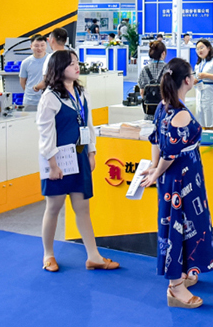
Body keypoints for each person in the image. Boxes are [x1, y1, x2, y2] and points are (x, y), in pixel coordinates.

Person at [35, 50, 119, 273]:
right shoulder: (50, 97)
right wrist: (52, 164)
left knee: (82, 208)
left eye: (76, 62)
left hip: (79, 157)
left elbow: (88, 125)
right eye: (71, 63)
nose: (76, 66)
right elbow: (46, 133)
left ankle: (94, 256)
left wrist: (91, 152)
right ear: (59, 68)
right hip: (58, 159)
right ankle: (48, 255)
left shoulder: (81, 92)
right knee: (53, 207)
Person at [140, 58, 213, 308]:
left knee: (181, 225)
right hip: (181, 179)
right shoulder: (179, 113)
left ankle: (181, 273)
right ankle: (175, 286)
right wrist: (156, 171)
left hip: (179, 178)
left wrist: (155, 167)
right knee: (176, 227)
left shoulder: (164, 106)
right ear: (187, 80)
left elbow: (155, 140)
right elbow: (170, 153)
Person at [192, 39, 213, 129]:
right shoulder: (199, 64)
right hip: (201, 93)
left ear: (208, 48)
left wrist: (206, 75)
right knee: (203, 121)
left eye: (201, 47)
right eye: (197, 49)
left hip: (212, 93)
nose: (199, 50)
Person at [138, 40, 169, 120]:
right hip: (165, 111)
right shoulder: (169, 69)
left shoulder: (144, 70)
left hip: (149, 112)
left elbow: (142, 92)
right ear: (163, 53)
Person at [18, 35, 48, 111]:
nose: (39, 48)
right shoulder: (26, 62)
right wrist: (30, 92)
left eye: (42, 45)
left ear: (46, 46)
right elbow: (22, 81)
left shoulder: (51, 60)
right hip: (30, 101)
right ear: (31, 46)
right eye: (36, 46)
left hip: (48, 100)